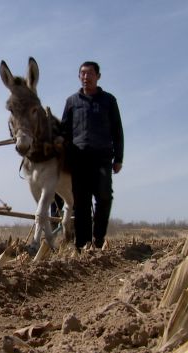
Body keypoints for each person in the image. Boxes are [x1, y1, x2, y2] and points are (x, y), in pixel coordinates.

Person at [61, 61, 124, 250]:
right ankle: (82, 243)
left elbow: (117, 130)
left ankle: (98, 239)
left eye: (89, 74)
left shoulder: (108, 100)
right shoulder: (72, 101)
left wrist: (118, 158)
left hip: (103, 157)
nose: (85, 77)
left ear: (98, 76)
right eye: (82, 73)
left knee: (104, 196)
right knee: (81, 202)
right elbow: (65, 133)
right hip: (79, 160)